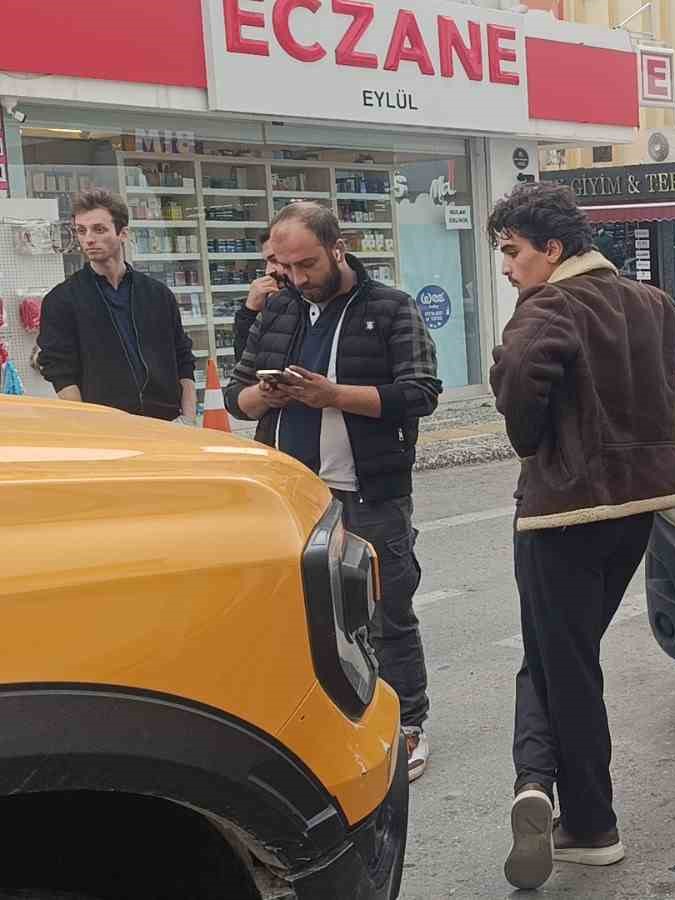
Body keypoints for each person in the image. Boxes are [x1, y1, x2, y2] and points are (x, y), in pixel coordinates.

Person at [489, 182, 675, 890]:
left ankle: (588, 822)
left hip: (562, 512)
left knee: (561, 660)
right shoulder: (646, 301)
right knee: (559, 654)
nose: (507, 267)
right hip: (639, 510)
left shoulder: (549, 306)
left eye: (513, 251)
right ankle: (538, 783)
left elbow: (521, 375)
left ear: (552, 249)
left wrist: (530, 441)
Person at [224, 201, 441, 781]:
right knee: (300, 617)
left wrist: (335, 396)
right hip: (292, 497)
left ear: (338, 248)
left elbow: (420, 392)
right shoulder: (280, 310)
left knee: (386, 612)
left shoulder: (391, 308)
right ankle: (322, 724)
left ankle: (409, 723)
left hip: (369, 493)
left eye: (307, 264)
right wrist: (264, 397)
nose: (296, 278)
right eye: (284, 267)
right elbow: (236, 397)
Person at [36, 188, 197, 422]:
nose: (88, 238)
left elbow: (183, 357)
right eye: (81, 231)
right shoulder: (62, 299)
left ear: (123, 233)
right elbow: (59, 371)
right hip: (108, 427)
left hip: (168, 423)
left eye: (99, 229)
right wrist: (88, 424)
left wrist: (189, 418)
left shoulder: (158, 294)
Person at [232, 229, 296, 360]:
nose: (268, 271)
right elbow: (246, 365)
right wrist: (249, 312)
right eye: (267, 262)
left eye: (275, 260)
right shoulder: (275, 307)